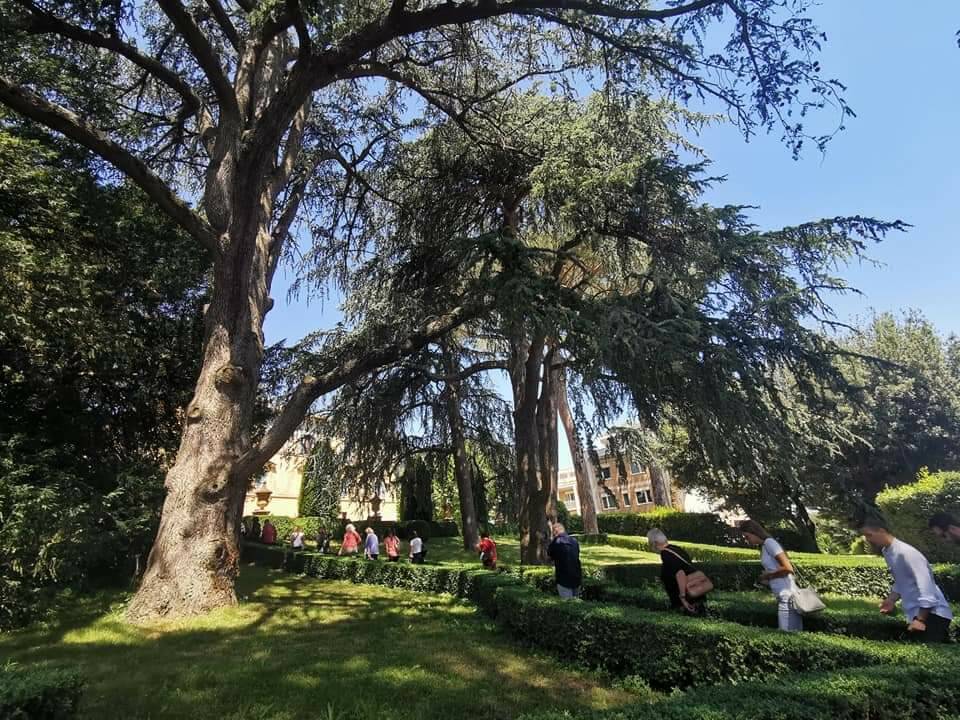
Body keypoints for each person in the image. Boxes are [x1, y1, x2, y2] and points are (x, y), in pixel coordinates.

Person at [861, 519, 953, 643]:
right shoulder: (887, 551)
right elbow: (901, 580)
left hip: (933, 614)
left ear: (882, 531)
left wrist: (920, 620)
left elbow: (925, 586)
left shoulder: (906, 553)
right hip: (918, 614)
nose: (867, 539)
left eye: (869, 535)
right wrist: (891, 599)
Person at [737, 519, 802, 632]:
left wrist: (768, 575)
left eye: (747, 537)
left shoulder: (769, 543)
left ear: (754, 532)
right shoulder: (764, 546)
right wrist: (768, 577)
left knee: (786, 634)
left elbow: (788, 568)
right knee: (791, 633)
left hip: (787, 595)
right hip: (782, 594)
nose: (747, 541)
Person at [646, 528, 705, 616]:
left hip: (689, 599)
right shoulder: (676, 549)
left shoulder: (666, 554)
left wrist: (683, 598)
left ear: (654, 543)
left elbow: (680, 573)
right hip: (696, 592)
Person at [547, 523, 582, 600]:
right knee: (576, 603)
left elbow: (549, 557)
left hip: (563, 578)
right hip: (577, 576)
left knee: (567, 604)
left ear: (555, 532)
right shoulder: (574, 541)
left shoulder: (556, 542)